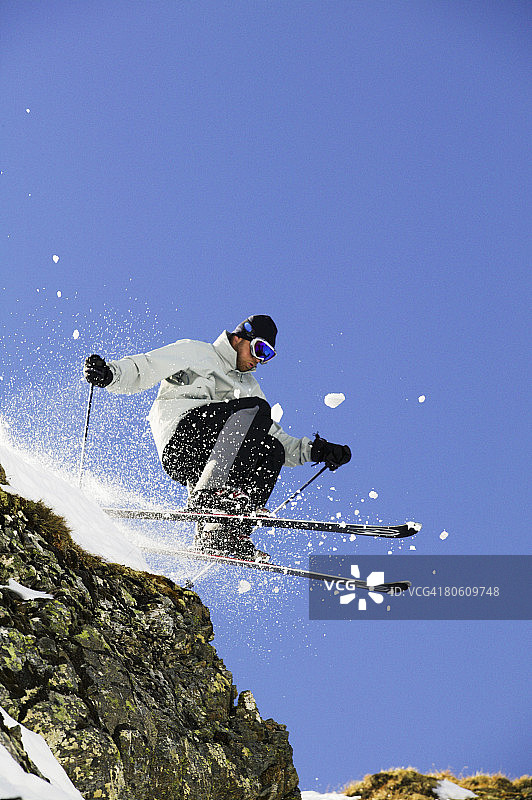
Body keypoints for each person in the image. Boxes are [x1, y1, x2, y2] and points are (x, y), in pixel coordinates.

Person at [83, 314, 351, 561]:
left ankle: (221, 534)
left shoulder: (249, 387)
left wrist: (318, 451)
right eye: (259, 349)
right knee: (256, 408)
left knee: (272, 449)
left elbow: (278, 439)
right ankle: (207, 496)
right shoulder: (198, 352)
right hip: (184, 439)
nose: (259, 360)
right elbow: (148, 366)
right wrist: (111, 374)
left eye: (267, 355)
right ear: (238, 339)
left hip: (214, 457)